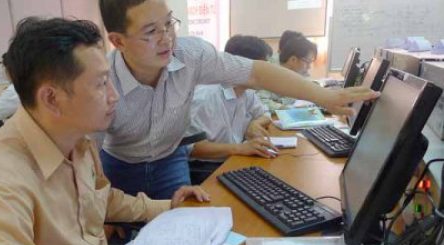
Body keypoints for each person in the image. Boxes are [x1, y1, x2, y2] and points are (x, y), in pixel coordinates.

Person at [0, 17, 244, 245]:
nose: (115, 96)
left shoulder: (76, 140)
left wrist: (169, 206)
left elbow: (102, 198)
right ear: (51, 98)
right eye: (102, 83)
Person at [98, 0, 378, 200]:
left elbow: (255, 73)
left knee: (183, 231)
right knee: (121, 242)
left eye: (169, 23)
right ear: (118, 41)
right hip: (119, 165)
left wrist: (325, 96)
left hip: (170, 159)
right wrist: (99, 207)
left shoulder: (190, 55)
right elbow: (80, 151)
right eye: (151, 31)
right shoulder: (101, 80)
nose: (167, 38)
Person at [187, 35, 278, 184]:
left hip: (233, 159)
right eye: (264, 67)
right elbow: (193, 148)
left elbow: (265, 114)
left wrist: (254, 124)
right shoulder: (205, 96)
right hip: (204, 168)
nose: (269, 75)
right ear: (241, 66)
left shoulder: (247, 92)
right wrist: (240, 148)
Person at [258, 34, 318, 110]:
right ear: (293, 60)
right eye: (307, 62)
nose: (309, 67)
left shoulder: (300, 72)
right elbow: (261, 101)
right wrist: (284, 108)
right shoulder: (268, 70)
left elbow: (306, 89)